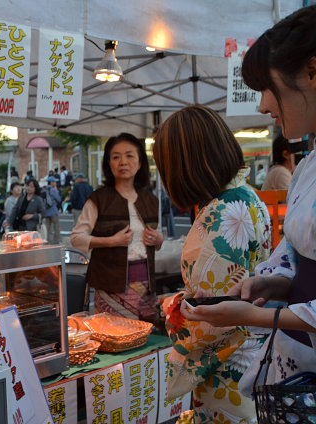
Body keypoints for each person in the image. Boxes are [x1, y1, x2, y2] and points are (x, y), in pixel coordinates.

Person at [179, 4, 316, 405]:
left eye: (268, 87)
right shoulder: (306, 167)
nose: (262, 106)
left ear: (312, 72)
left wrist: (256, 315)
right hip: (296, 370)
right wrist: (277, 283)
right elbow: (299, 255)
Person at [153, 105, 272, 424]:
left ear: (181, 167)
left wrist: (174, 309)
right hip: (256, 354)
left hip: (229, 370)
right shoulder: (249, 197)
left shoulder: (217, 220)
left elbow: (211, 318)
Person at [71, 133, 163, 324]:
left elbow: (157, 239)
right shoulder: (98, 199)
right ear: (108, 163)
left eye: (129, 156)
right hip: (111, 286)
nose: (123, 162)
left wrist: (158, 240)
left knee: (145, 337)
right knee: (118, 337)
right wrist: (111, 241)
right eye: (116, 157)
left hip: (146, 285)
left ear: (140, 162)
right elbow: (77, 238)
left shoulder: (151, 200)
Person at [43, 176, 63, 244]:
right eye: (54, 182)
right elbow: (59, 199)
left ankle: (46, 241)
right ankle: (56, 241)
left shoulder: (44, 189)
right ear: (51, 182)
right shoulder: (53, 190)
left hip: (46, 211)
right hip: (53, 211)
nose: (55, 183)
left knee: (47, 229)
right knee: (56, 227)